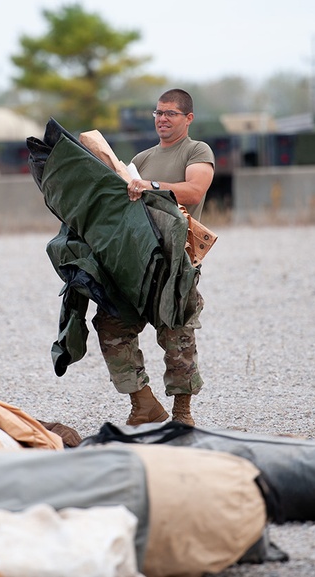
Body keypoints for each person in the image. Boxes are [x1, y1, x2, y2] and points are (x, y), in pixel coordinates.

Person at [93, 88, 215, 426]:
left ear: (188, 118)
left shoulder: (196, 150)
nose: (162, 119)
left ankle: (182, 415)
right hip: (137, 262)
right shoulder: (142, 158)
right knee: (110, 325)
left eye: (170, 113)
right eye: (158, 113)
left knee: (177, 337)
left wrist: (148, 185)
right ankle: (144, 404)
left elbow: (194, 191)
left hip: (176, 262)